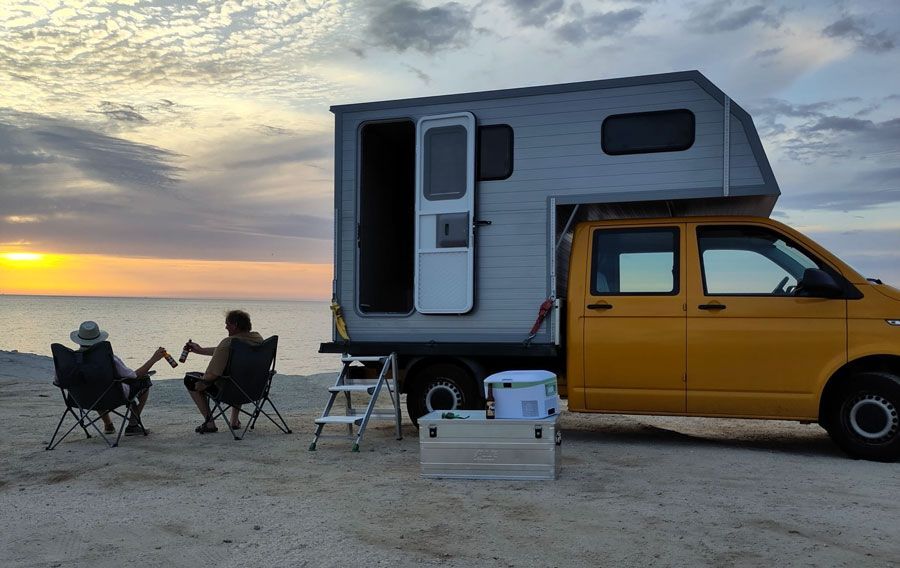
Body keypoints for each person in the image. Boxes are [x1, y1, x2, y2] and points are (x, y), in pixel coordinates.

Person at [66, 321, 165, 436]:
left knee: (93, 384)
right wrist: (154, 359)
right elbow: (133, 376)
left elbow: (59, 381)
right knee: (144, 381)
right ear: (99, 340)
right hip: (111, 398)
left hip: (79, 399)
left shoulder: (70, 360)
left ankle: (108, 425)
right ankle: (132, 425)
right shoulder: (108, 359)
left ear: (79, 339)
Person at [182, 309, 264, 433]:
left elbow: (212, 375)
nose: (225, 327)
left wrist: (203, 381)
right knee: (240, 374)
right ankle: (234, 421)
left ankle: (209, 423)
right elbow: (228, 351)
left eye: (227, 324)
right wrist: (201, 350)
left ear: (235, 325)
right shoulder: (257, 339)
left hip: (230, 391)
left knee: (191, 379)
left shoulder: (228, 342)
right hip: (255, 389)